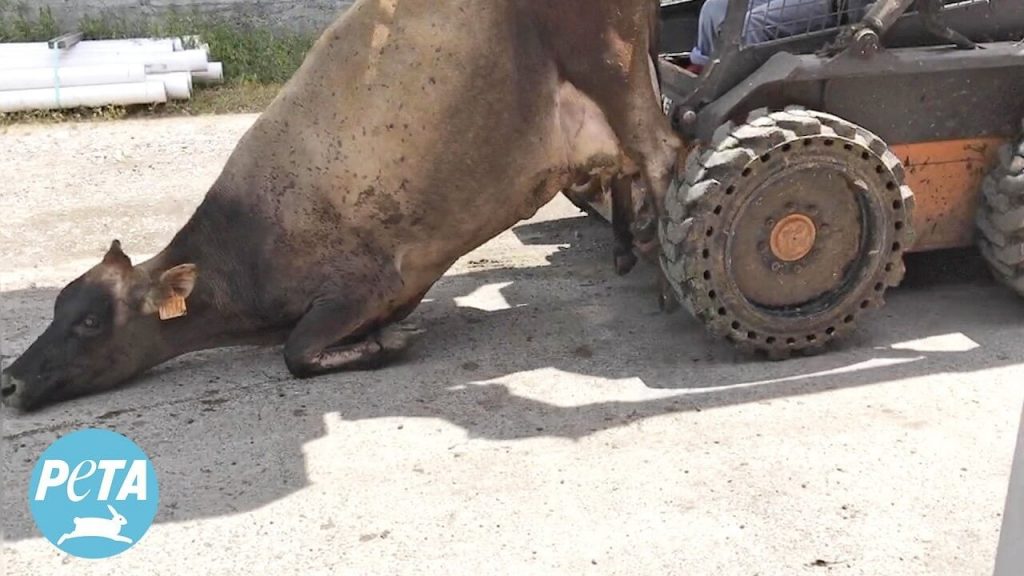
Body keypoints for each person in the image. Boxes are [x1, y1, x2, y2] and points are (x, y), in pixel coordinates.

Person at [688, 0, 871, 74]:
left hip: (840, 6)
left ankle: (738, 96)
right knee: (714, 9)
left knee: (752, 25)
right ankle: (703, 73)